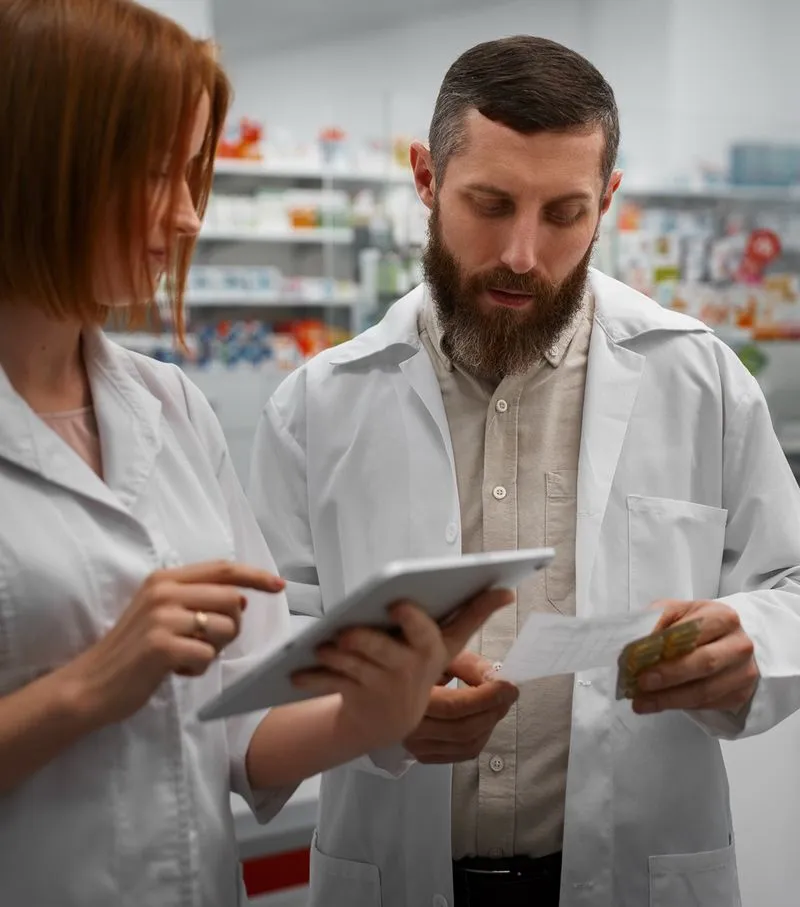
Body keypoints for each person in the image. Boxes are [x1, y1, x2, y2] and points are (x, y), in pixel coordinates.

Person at [249, 35, 800, 907]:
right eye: (491, 202)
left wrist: (753, 642)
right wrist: (374, 715)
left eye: (564, 214)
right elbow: (268, 654)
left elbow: (791, 581)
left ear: (607, 200)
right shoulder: (319, 404)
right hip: (398, 870)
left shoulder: (700, 380)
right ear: (426, 178)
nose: (520, 253)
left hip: (632, 872)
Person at [0, 4, 513, 906]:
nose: (190, 214)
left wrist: (378, 709)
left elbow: (243, 731)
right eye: (157, 172)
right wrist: (88, 687)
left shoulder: (171, 410)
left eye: (195, 173)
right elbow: (121, 689)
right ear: (39, 163)